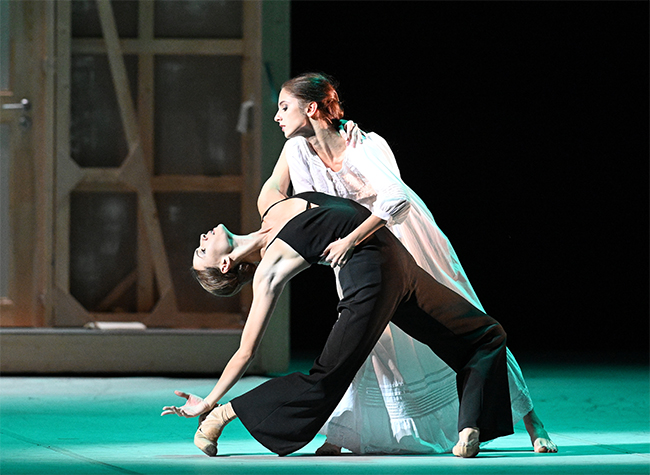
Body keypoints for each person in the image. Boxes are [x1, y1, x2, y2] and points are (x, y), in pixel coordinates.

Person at [257, 72, 556, 455]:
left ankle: (533, 421)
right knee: (368, 336)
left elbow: (396, 201)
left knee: (466, 321)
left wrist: (345, 237)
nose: (278, 116)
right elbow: (271, 192)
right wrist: (280, 225)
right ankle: (346, 432)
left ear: (311, 108)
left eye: (284, 107)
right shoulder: (296, 150)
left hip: (406, 241)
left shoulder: (363, 143)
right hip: (359, 254)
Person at [163, 190, 514, 458]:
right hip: (369, 284)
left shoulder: (269, 202)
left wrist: (317, 117)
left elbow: (293, 144)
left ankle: (470, 428)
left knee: (485, 336)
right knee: (325, 380)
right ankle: (224, 415)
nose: (202, 239)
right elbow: (246, 351)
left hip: (399, 263)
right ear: (225, 265)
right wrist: (209, 402)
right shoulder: (268, 270)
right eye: (201, 250)